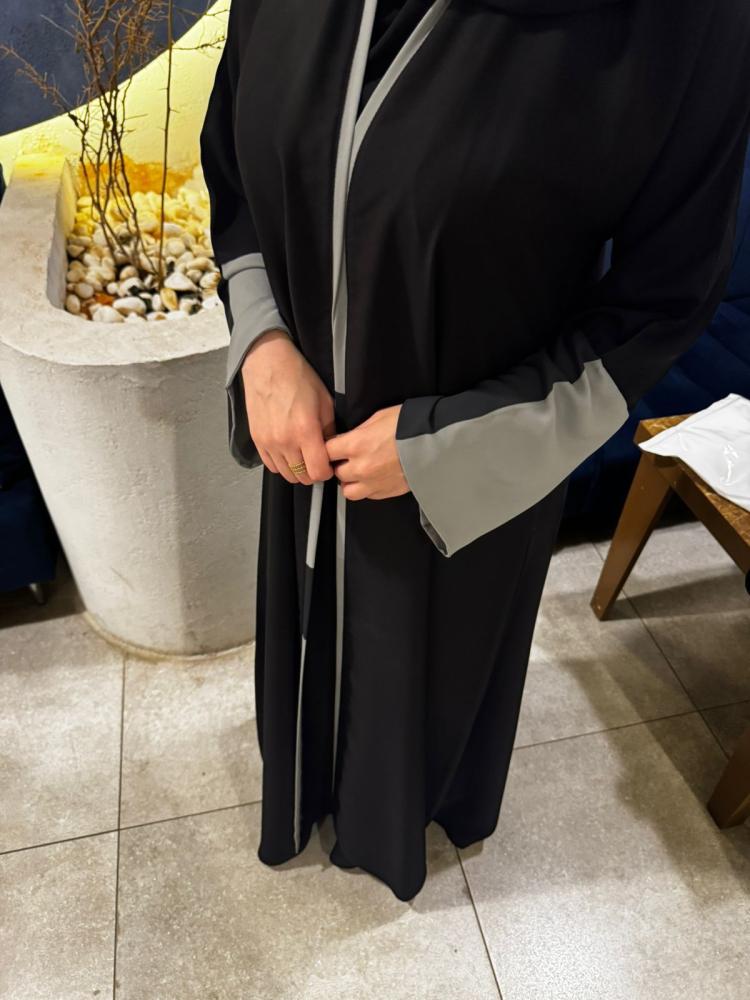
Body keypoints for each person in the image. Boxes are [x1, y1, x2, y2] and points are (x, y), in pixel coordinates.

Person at [199, 0, 750, 902]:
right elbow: (233, 152)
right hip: (302, 443)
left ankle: (403, 821)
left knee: (432, 696)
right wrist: (261, 341)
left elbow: (664, 301)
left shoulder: (682, 23)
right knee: (311, 648)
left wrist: (445, 450)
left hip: (481, 465)